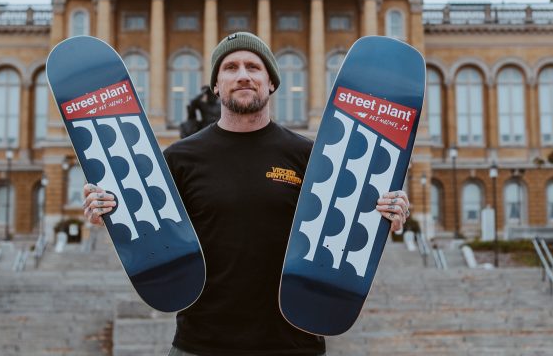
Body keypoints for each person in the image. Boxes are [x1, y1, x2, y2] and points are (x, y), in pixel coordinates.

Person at [84, 32, 411, 356]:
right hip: (201, 344)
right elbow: (149, 231)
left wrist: (387, 215)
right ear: (215, 85)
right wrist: (109, 212)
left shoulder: (313, 158)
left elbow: (347, 228)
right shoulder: (178, 159)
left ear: (271, 82)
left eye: (254, 67)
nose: (243, 76)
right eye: (230, 67)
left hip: (292, 344)